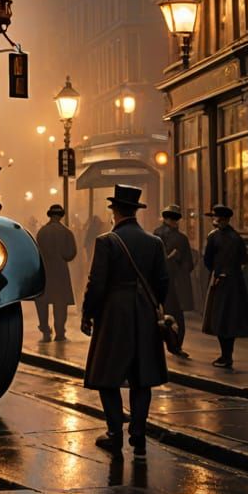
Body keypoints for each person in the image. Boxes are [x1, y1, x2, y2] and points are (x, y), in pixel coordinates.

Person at [81, 185, 168, 459]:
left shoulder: (106, 242)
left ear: (114, 211)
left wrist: (88, 314)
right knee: (142, 379)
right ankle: (139, 438)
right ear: (135, 211)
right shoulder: (154, 243)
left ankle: (115, 434)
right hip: (143, 312)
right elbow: (163, 282)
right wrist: (149, 303)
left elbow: (96, 284)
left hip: (114, 314)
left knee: (107, 377)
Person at [201, 204, 248, 369]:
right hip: (235, 282)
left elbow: (208, 260)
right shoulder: (237, 237)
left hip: (219, 281)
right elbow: (243, 260)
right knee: (230, 318)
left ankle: (225, 356)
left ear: (220, 220)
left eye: (215, 218)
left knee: (219, 318)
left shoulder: (214, 237)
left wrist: (217, 272)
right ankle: (227, 355)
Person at [154, 204, 194, 358]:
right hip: (172, 283)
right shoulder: (176, 237)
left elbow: (188, 262)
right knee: (174, 316)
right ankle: (175, 345)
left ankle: (170, 345)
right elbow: (188, 263)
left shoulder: (159, 235)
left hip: (166, 282)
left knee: (166, 314)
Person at [34, 203, 77, 342]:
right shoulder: (67, 232)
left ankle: (45, 330)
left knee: (42, 302)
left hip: (45, 272)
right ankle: (60, 332)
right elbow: (70, 254)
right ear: (61, 216)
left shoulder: (41, 232)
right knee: (60, 303)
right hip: (60, 272)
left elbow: (36, 252)